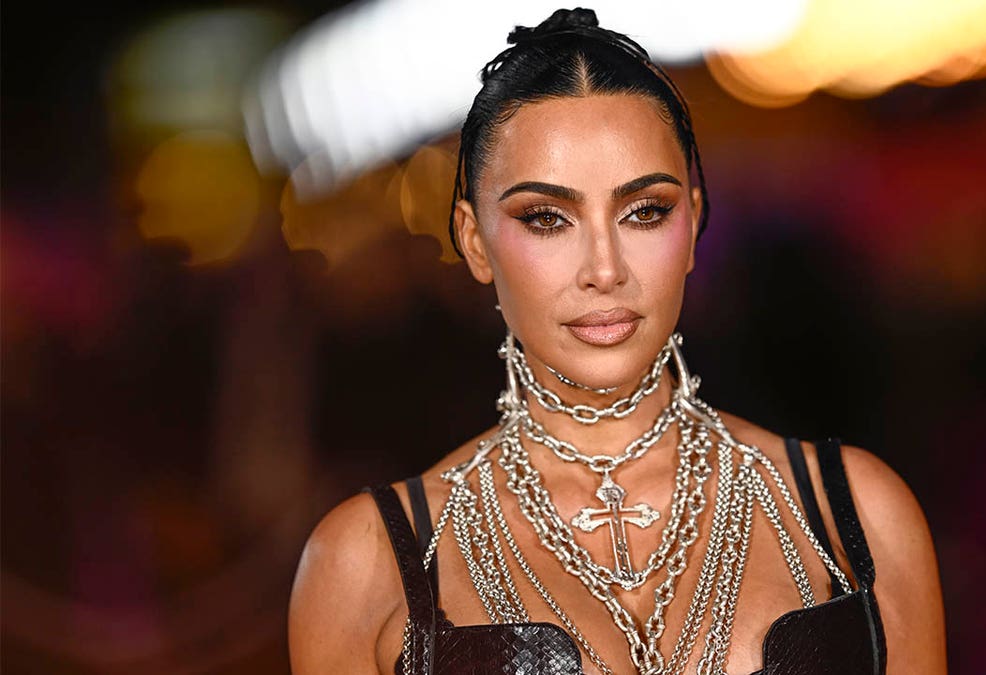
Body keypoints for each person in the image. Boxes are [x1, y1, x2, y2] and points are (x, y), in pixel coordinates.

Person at [288, 8, 945, 674]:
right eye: (546, 218)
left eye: (645, 211)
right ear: (474, 240)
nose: (604, 269)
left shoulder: (858, 514)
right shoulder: (364, 561)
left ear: (693, 222)